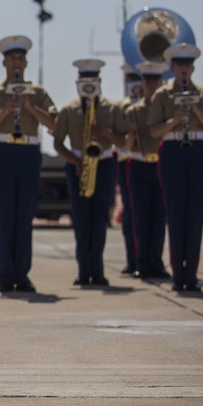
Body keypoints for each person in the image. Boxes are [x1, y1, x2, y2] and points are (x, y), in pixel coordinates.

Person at [0, 36, 57, 293]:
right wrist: (6, 109)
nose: (17, 62)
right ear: (4, 62)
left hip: (28, 152)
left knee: (24, 215)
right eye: (13, 58)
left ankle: (22, 274)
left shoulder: (38, 92)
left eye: (21, 58)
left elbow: (54, 124)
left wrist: (29, 107)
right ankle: (6, 274)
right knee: (5, 215)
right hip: (2, 151)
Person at [147, 43, 203, 292]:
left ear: (192, 67)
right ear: (172, 67)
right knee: (176, 214)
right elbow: (154, 130)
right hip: (172, 150)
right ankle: (178, 274)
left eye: (187, 64)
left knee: (195, 214)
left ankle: (192, 274)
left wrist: (196, 110)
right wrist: (174, 120)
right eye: (179, 64)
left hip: (198, 150)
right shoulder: (162, 95)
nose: (184, 69)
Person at [53, 59, 127, 287]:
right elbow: (58, 143)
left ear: (99, 81)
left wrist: (104, 132)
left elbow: (123, 141)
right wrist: (75, 161)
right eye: (84, 80)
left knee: (99, 218)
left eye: (92, 80)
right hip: (78, 165)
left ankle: (98, 269)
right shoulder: (69, 109)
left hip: (103, 163)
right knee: (82, 219)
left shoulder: (112, 108)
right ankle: (84, 270)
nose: (89, 84)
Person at [122, 62, 171, 281]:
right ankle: (141, 262)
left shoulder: (165, 108)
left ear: (160, 83)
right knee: (140, 217)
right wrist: (129, 138)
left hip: (161, 164)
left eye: (155, 81)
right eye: (148, 81)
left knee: (159, 217)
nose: (151, 85)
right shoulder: (133, 110)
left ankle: (156, 262)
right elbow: (124, 143)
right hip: (139, 164)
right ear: (142, 84)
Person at [116, 64, 142, 275]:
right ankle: (132, 259)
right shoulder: (121, 107)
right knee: (130, 212)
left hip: (148, 160)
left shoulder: (151, 104)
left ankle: (149, 258)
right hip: (126, 161)